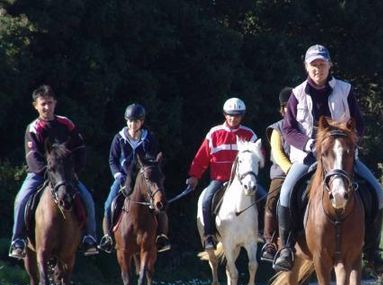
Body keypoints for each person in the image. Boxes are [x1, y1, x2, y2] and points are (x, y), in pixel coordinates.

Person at [272, 44, 383, 275]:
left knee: (377, 191)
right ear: (306, 67)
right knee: (286, 193)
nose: (318, 68)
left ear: (330, 65)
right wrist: (309, 144)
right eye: (313, 64)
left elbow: (359, 122)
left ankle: (373, 251)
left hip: (340, 156)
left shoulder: (345, 90)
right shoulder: (296, 94)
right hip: (308, 156)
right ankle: (286, 249)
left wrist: (348, 141)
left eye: (322, 63)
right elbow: (288, 129)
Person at [9, 85, 98, 259]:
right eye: (43, 104)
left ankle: (90, 237)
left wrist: (75, 170)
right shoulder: (33, 128)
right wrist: (46, 172)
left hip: (65, 175)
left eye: (50, 103)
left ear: (55, 103)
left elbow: (80, 147)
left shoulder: (66, 123)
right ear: (35, 105)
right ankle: (18, 240)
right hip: (39, 174)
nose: (47, 107)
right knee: (21, 199)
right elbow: (32, 155)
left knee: (87, 198)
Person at [186, 97, 259, 250]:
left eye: (237, 115)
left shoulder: (249, 134)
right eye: (230, 115)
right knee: (206, 201)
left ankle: (262, 233)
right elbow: (202, 157)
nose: (233, 118)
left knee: (265, 198)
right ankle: (209, 236)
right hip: (219, 179)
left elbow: (259, 156)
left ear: (242, 116)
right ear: (225, 115)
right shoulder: (214, 133)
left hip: (243, 180)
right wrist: (194, 176)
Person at [98, 104, 170, 254]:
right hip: (123, 178)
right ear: (126, 121)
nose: (133, 124)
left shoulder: (149, 138)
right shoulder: (119, 139)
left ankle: (162, 237)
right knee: (109, 204)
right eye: (130, 121)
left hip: (144, 180)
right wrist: (119, 176)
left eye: (136, 121)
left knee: (160, 204)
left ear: (141, 122)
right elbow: (113, 160)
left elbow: (152, 159)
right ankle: (107, 237)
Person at [260, 87, 293, 262]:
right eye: (287, 106)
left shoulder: (308, 126)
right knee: (271, 201)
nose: (291, 108)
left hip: (305, 170)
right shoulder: (276, 128)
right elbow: (278, 153)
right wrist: (289, 168)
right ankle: (270, 242)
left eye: (294, 105)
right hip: (282, 173)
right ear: (282, 108)